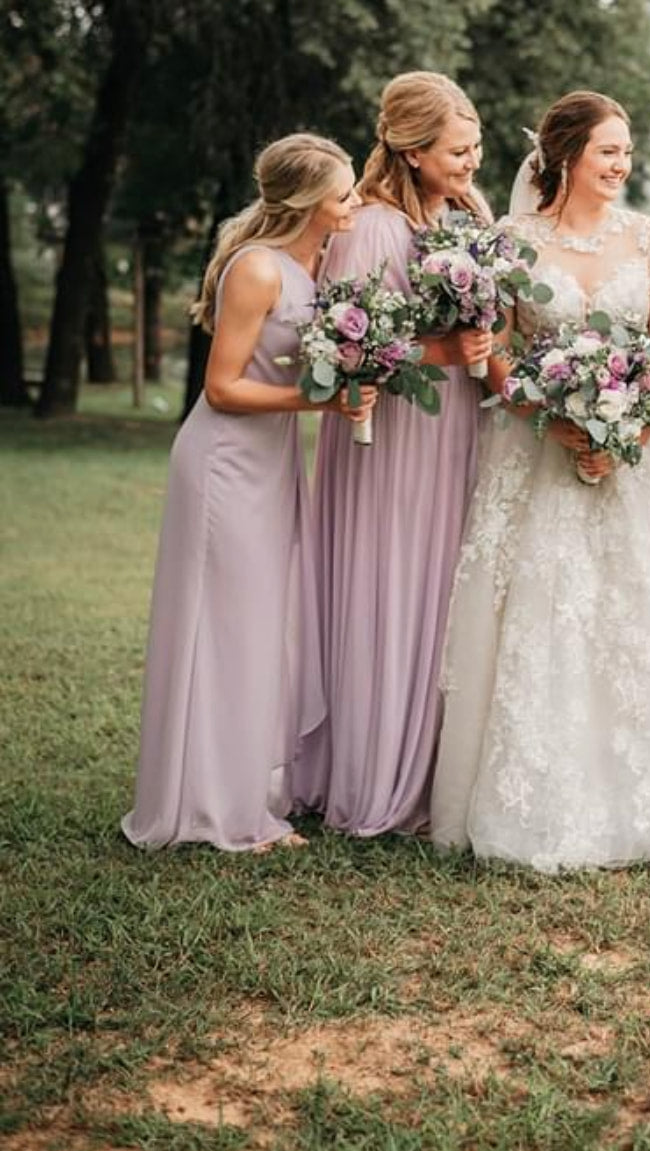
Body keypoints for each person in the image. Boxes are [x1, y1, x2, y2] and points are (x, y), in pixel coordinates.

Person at [430, 91, 650, 872]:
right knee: (543, 615)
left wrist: (625, 432)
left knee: (638, 620)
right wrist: (551, 413)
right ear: (565, 154)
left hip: (634, 462)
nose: (622, 165)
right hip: (534, 452)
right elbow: (495, 352)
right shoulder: (510, 240)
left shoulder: (648, 241)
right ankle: (532, 805)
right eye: (609, 151)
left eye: (629, 153)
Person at [122, 133, 375, 851]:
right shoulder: (257, 269)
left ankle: (240, 792)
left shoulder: (312, 263)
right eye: (344, 191)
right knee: (221, 630)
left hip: (270, 465)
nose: (353, 202)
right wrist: (322, 403)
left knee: (258, 628)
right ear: (306, 201)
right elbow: (222, 387)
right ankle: (209, 809)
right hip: (224, 465)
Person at [291, 72, 493, 836]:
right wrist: (447, 346)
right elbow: (351, 344)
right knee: (392, 582)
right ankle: (377, 776)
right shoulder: (371, 227)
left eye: (476, 147)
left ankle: (437, 766)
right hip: (392, 436)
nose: (472, 162)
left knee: (442, 589)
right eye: (457, 150)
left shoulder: (466, 215)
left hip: (454, 428)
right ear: (410, 150)